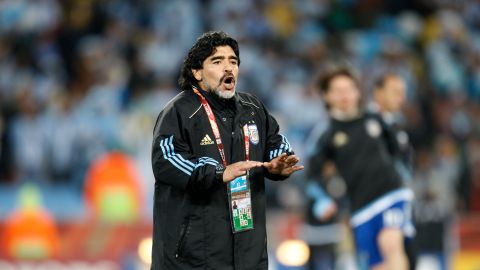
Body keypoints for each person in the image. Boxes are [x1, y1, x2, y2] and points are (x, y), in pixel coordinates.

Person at [151, 31, 303, 270]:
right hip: (193, 258)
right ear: (197, 72)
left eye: (233, 61)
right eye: (217, 61)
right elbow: (166, 161)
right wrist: (218, 173)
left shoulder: (253, 108)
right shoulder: (179, 111)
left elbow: (276, 141)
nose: (228, 67)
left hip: (248, 254)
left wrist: (278, 163)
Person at [307, 67, 414, 270]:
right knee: (375, 265)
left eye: (349, 89)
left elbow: (401, 148)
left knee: (391, 244)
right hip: (360, 208)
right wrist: (322, 200)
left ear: (357, 92)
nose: (345, 95)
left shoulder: (375, 119)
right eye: (338, 90)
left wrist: (405, 175)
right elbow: (312, 174)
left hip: (391, 194)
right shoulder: (325, 134)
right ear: (327, 96)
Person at [371, 74, 417, 270]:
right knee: (390, 256)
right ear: (378, 93)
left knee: (406, 257)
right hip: (379, 204)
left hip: (400, 201)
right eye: (395, 92)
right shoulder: (367, 125)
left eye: (403, 93)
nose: (401, 98)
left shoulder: (396, 125)